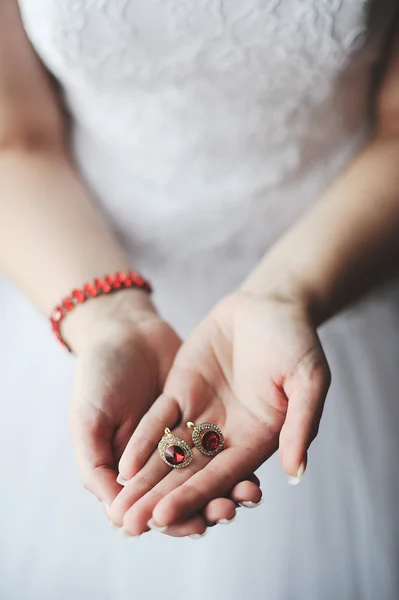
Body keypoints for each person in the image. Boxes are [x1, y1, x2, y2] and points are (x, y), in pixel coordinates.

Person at [1, 1, 399, 599]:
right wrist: (108, 318)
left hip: (333, 271)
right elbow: (16, 139)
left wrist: (285, 292)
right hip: (75, 262)